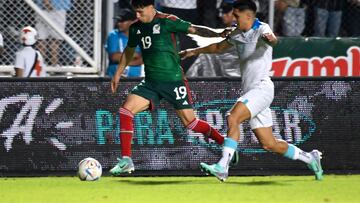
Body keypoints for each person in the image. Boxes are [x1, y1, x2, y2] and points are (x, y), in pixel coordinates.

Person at [180, 0, 323, 181]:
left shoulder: (261, 28)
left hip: (261, 88)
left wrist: (270, 40)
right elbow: (217, 47)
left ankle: (222, 166)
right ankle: (310, 158)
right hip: (252, 91)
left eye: (236, 15)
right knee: (268, 143)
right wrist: (193, 51)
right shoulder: (237, 33)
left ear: (248, 15)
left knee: (233, 117)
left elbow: (272, 38)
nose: (234, 18)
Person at [109, 0, 239, 176]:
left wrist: (220, 34)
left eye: (140, 12)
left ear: (151, 7)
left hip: (174, 81)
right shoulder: (136, 28)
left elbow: (195, 29)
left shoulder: (167, 20)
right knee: (126, 111)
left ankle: (225, 143)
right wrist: (118, 73)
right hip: (151, 83)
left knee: (191, 123)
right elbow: (130, 50)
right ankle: (126, 160)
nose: (137, 16)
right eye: (136, 12)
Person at [105, 9, 143, 78]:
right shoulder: (113, 35)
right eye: (119, 21)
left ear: (134, 22)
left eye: (122, 21)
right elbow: (114, 56)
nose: (119, 23)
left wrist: (125, 62)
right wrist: (135, 55)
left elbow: (145, 59)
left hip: (136, 79)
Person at [35, 0, 72, 66]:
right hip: (56, 7)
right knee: (50, 38)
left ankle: (43, 65)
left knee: (46, 37)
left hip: (55, 7)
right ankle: (52, 64)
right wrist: (47, 3)